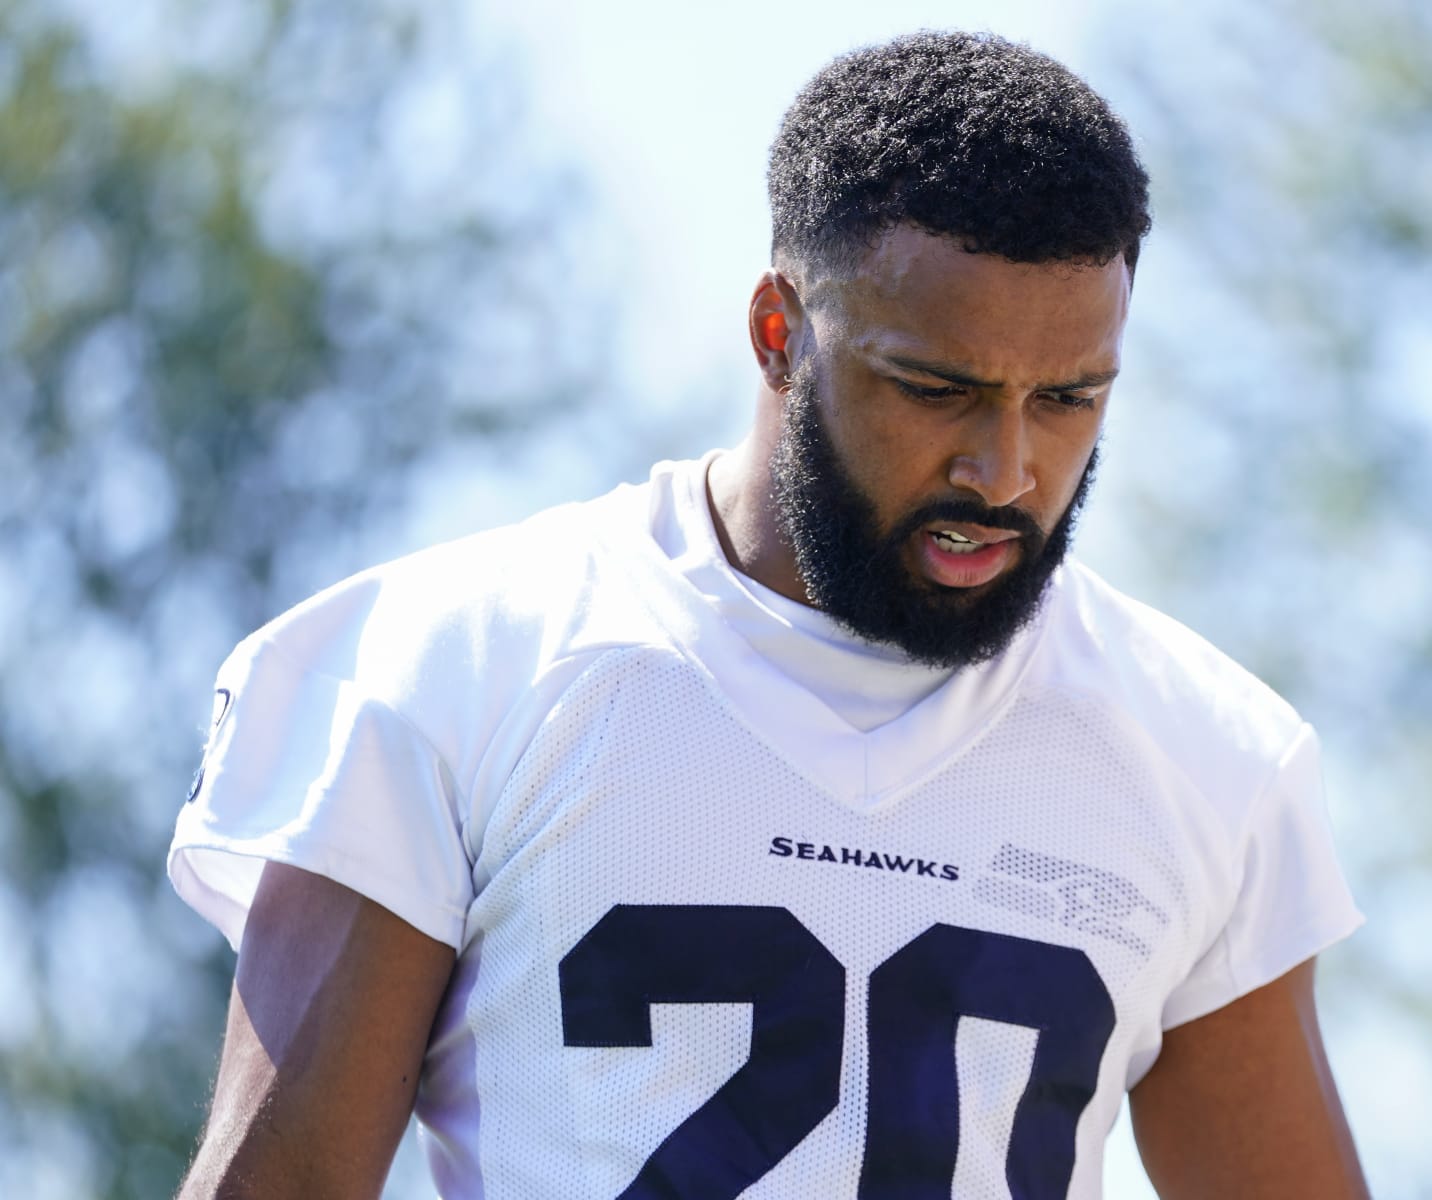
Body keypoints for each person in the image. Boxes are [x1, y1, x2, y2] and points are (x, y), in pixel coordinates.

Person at [169, 29, 1369, 1199]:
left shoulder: (1203, 756)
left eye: (1068, 399)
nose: (1004, 470)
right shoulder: (454, 667)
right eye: (936, 388)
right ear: (780, 335)